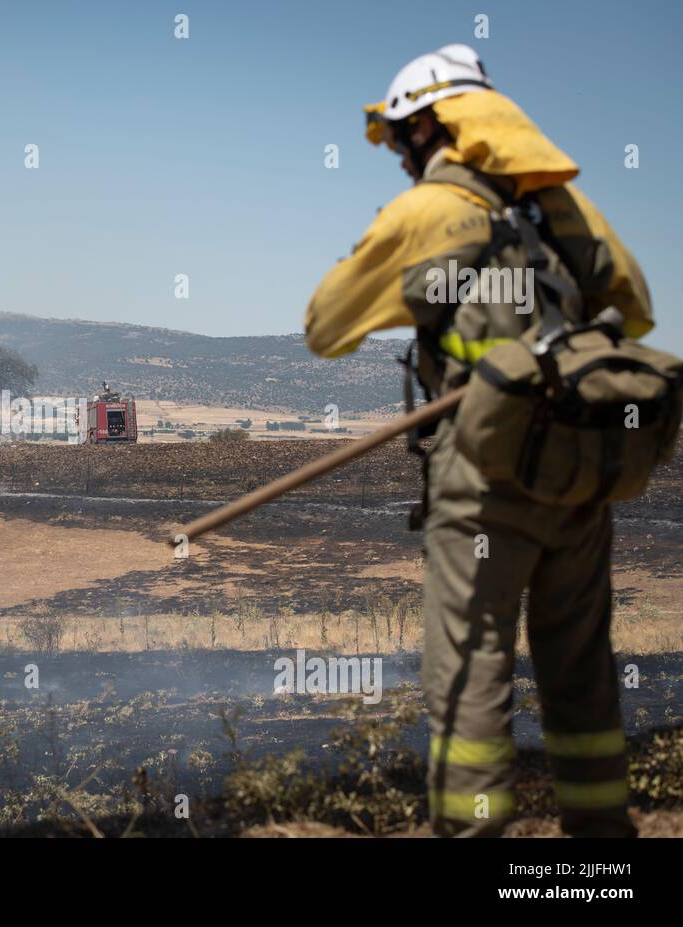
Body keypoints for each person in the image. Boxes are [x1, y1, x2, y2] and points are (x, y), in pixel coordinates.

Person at [305, 45, 652, 836]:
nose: (397, 154)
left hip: (485, 474)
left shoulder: (429, 211)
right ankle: (602, 857)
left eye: (401, 137)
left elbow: (325, 327)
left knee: (470, 673)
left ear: (434, 125)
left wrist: (438, 301)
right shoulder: (569, 210)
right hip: (579, 472)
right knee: (581, 669)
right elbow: (633, 310)